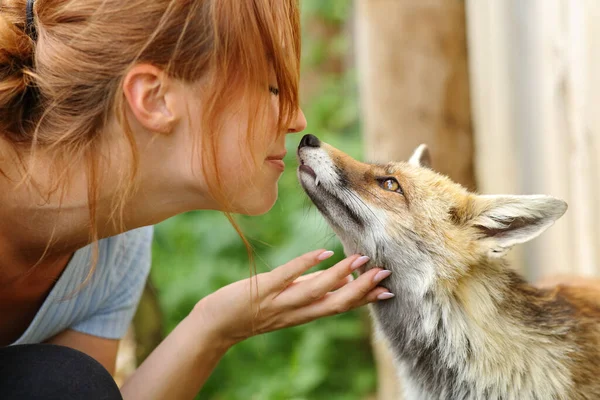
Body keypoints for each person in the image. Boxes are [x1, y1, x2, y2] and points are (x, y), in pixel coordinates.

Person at [0, 0, 395, 399]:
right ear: (154, 98)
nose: (296, 119)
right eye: (271, 87)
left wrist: (213, 327)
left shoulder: (117, 246)